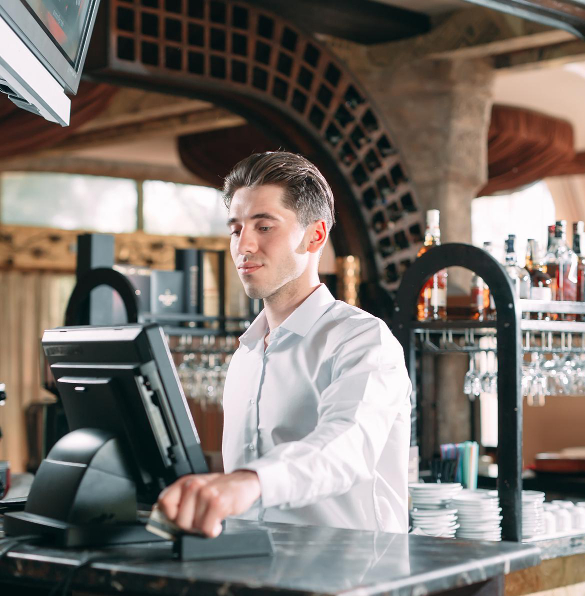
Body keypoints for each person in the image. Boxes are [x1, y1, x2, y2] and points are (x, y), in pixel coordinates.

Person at [157, 151, 410, 537]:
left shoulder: (363, 340)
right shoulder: (244, 355)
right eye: (236, 228)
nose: (244, 246)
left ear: (315, 235)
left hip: (352, 582)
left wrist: (248, 481)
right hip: (255, 576)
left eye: (264, 226)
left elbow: (346, 446)